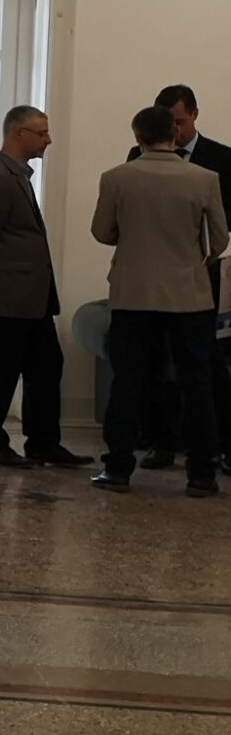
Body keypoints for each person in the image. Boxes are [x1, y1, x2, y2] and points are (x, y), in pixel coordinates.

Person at [92, 105, 229, 497]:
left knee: (128, 380)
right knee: (197, 383)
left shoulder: (117, 177)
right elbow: (219, 239)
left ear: (137, 137)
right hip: (189, 295)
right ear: (175, 133)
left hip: (133, 293)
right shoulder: (204, 178)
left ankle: (118, 468)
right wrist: (193, 261)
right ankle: (202, 474)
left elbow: (102, 231)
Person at [0, 106, 88, 467]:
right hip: (6, 299)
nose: (48, 139)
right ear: (19, 134)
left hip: (28, 299)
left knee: (46, 366)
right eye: (42, 132)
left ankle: (44, 442)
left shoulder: (15, 176)